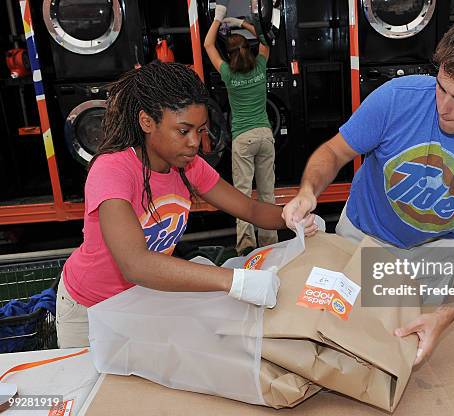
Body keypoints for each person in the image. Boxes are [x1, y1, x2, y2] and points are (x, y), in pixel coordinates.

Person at [282, 11, 454, 365]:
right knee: (332, 343)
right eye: (441, 87)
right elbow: (334, 151)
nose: (444, 108)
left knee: (403, 353)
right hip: (360, 238)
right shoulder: (396, 99)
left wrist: (442, 317)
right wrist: (308, 191)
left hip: (433, 254)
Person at [55, 61, 317, 348]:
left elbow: (251, 210)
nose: (195, 142)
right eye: (183, 131)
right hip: (90, 309)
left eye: (200, 130)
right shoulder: (113, 170)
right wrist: (235, 281)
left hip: (143, 301)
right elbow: (136, 264)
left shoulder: (189, 167)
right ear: (147, 122)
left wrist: (289, 216)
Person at [203, 2, 277, 256]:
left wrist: (219, 18)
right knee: (267, 193)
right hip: (265, 136)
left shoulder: (228, 74)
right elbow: (266, 38)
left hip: (243, 139)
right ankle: (271, 243)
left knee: (243, 196)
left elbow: (208, 45)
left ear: (230, 53)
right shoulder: (261, 66)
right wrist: (243, 24)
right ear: (248, 48)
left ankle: (246, 246)